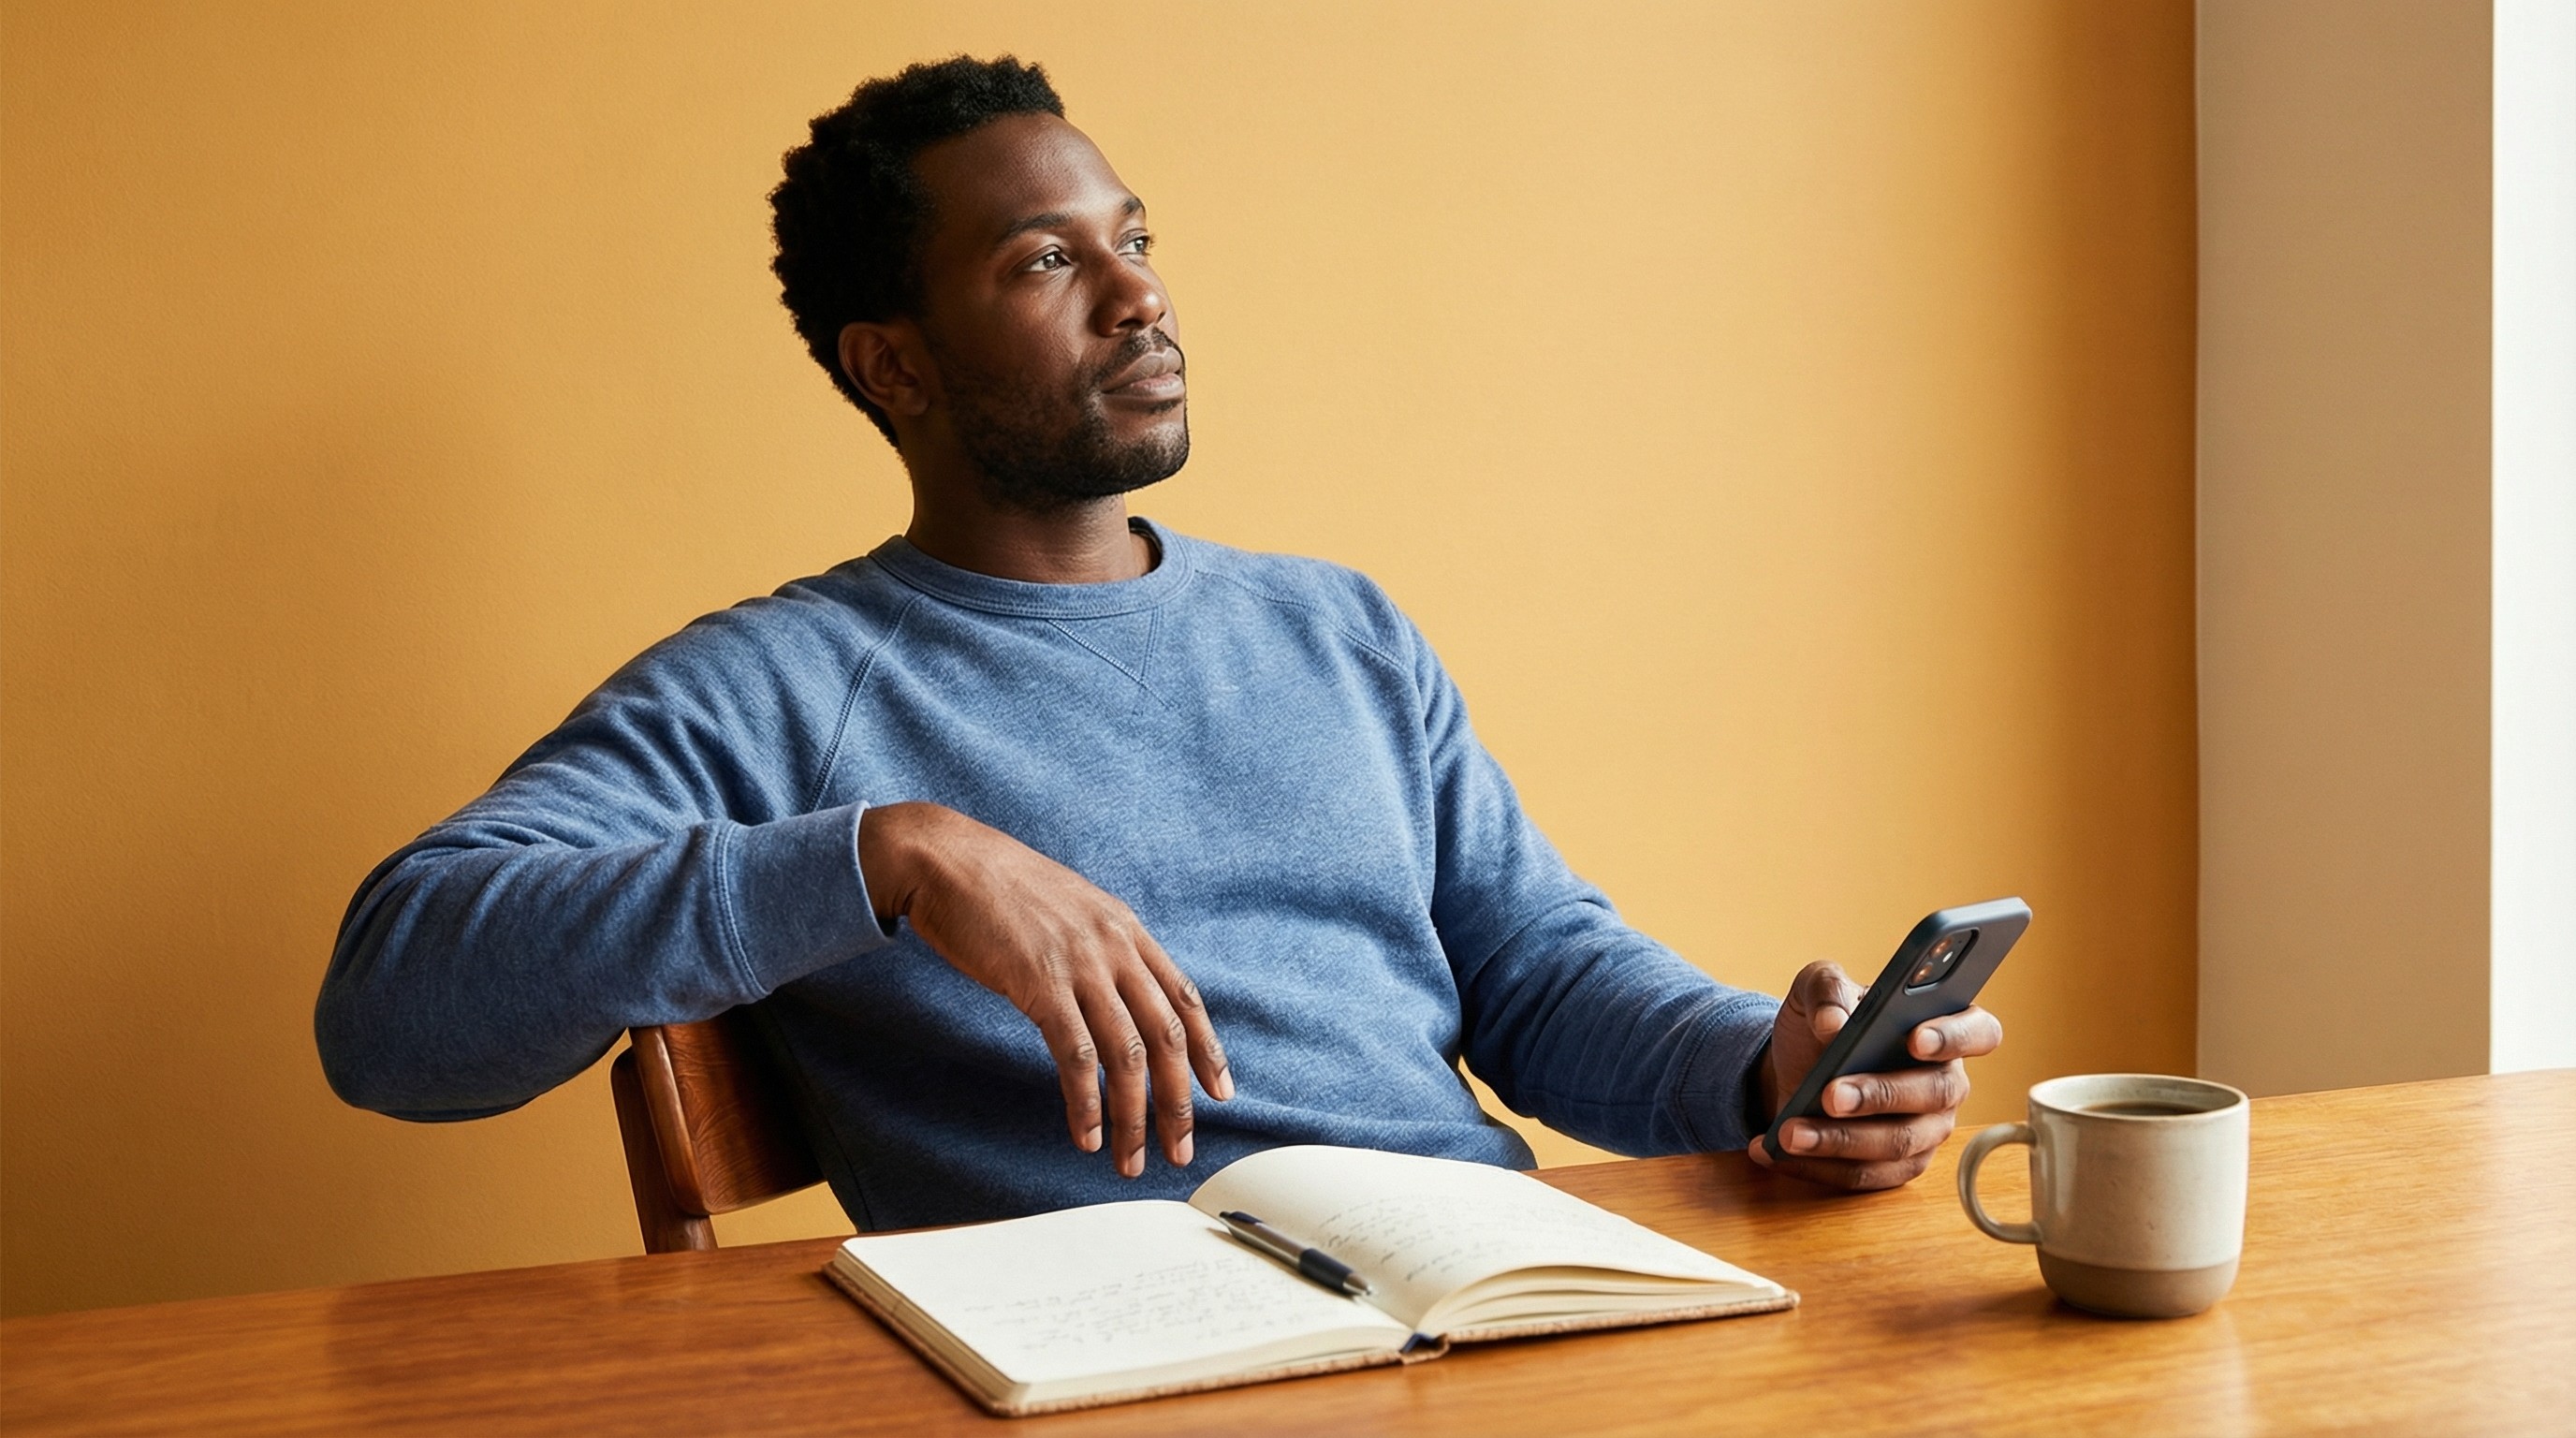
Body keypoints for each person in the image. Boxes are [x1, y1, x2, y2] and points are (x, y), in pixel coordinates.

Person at [315, 55, 2002, 1233]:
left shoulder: (1338, 630)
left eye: (1135, 239)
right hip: (1115, 1361)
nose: (1140, 299)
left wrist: (1769, 1069)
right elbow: (391, 1006)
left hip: (1483, 1304)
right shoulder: (778, 689)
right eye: (1048, 262)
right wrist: (890, 854)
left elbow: (1542, 976)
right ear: (893, 367)